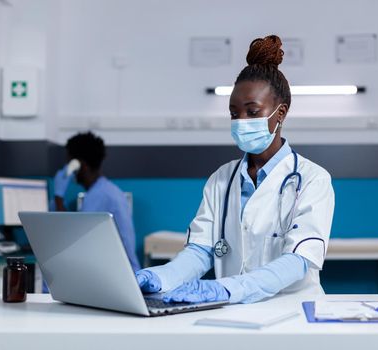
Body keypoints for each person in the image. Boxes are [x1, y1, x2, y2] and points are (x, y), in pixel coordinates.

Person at [136, 35, 334, 304]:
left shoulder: (312, 179)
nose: (241, 121)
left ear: (281, 113)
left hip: (293, 312)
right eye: (234, 113)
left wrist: (227, 288)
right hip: (232, 313)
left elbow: (299, 260)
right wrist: (162, 276)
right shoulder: (222, 179)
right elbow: (201, 250)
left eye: (252, 112)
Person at [53, 131, 141, 271]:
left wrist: (58, 197)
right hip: (120, 272)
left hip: (121, 277)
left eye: (68, 163)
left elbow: (71, 242)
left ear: (79, 165)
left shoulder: (100, 196)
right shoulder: (106, 190)